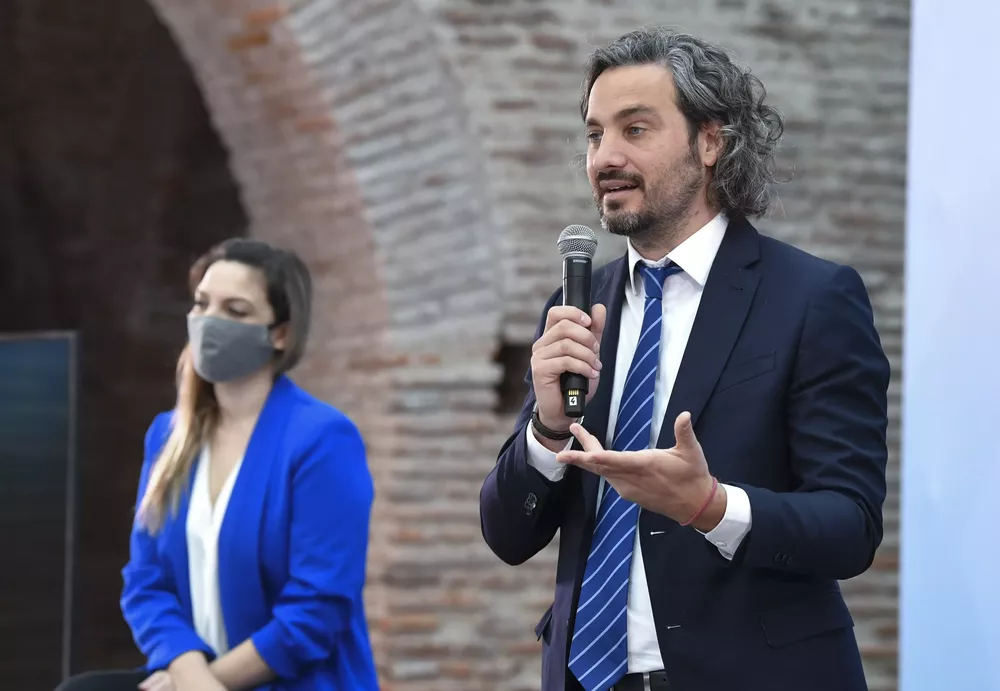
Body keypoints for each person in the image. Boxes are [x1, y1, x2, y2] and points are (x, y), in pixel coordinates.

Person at [479, 27, 890, 691]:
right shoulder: (578, 307)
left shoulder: (811, 299)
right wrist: (547, 432)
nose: (603, 157)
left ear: (710, 142)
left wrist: (709, 504)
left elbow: (850, 526)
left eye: (635, 129)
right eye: (593, 134)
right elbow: (507, 534)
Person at [56, 239, 379, 691]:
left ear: (280, 333)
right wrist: (188, 672)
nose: (210, 323)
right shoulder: (168, 436)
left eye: (236, 311)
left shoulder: (321, 438)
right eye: (201, 304)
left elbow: (317, 607)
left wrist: (207, 685)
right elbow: (145, 583)